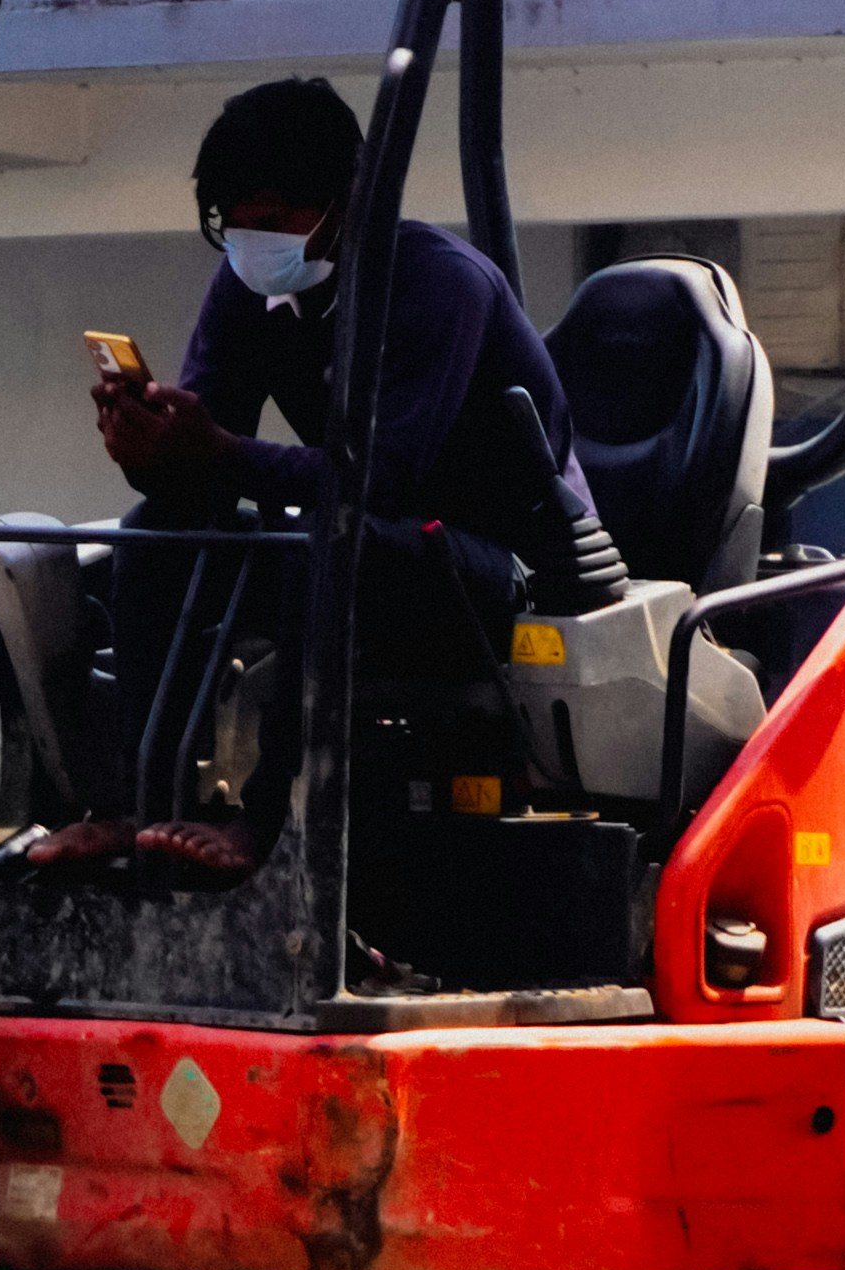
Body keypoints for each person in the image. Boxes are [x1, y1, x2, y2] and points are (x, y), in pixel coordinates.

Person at [60, 77, 617, 877]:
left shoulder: (439, 285)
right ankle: (135, 800)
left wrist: (211, 448)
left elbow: (379, 479)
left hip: (493, 572)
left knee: (324, 548)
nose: (251, 244)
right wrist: (152, 453)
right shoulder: (248, 286)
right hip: (364, 541)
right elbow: (212, 469)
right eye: (233, 225)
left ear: (345, 203)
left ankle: (270, 819)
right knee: (154, 537)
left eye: (272, 221)